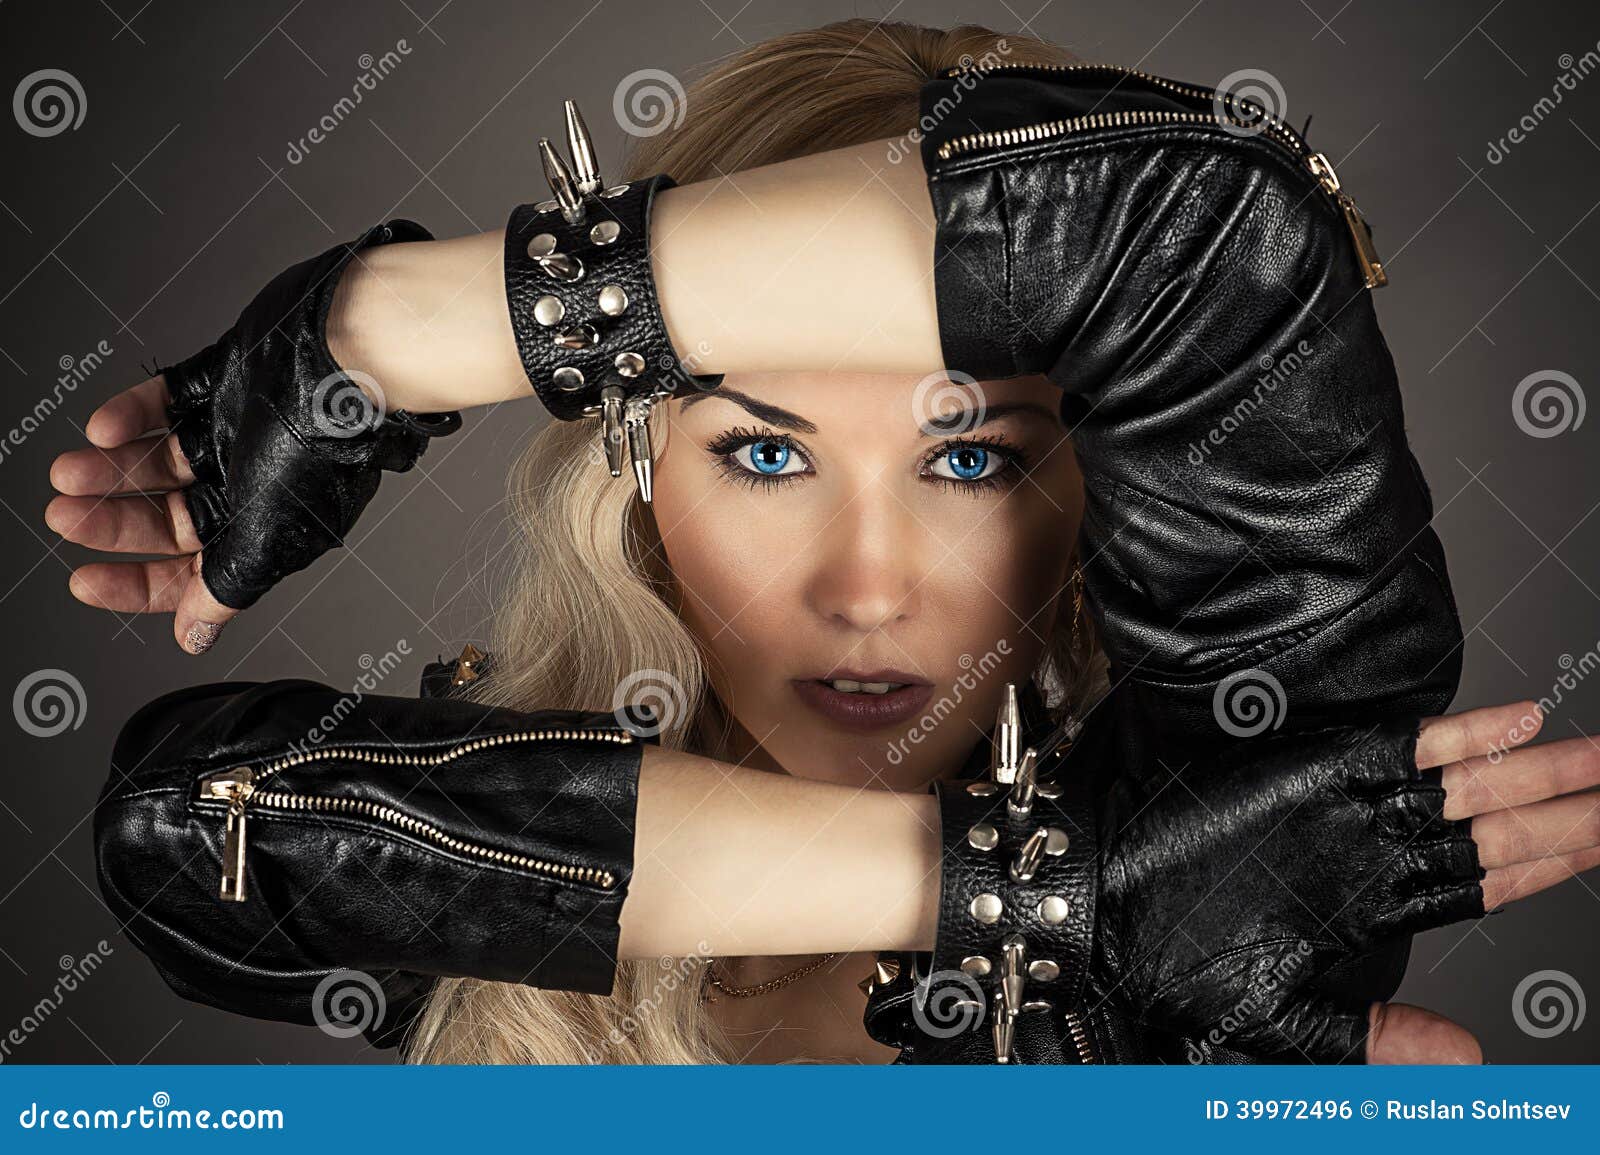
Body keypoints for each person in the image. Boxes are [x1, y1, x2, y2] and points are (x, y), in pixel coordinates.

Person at [54, 20, 1600, 1064]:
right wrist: (1047, 895)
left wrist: (390, 332)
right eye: (767, 451)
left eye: (975, 459)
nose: (867, 587)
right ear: (641, 462)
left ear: (1106, 485)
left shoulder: (1256, 813)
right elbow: (178, 828)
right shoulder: (508, 835)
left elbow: (1197, 222)